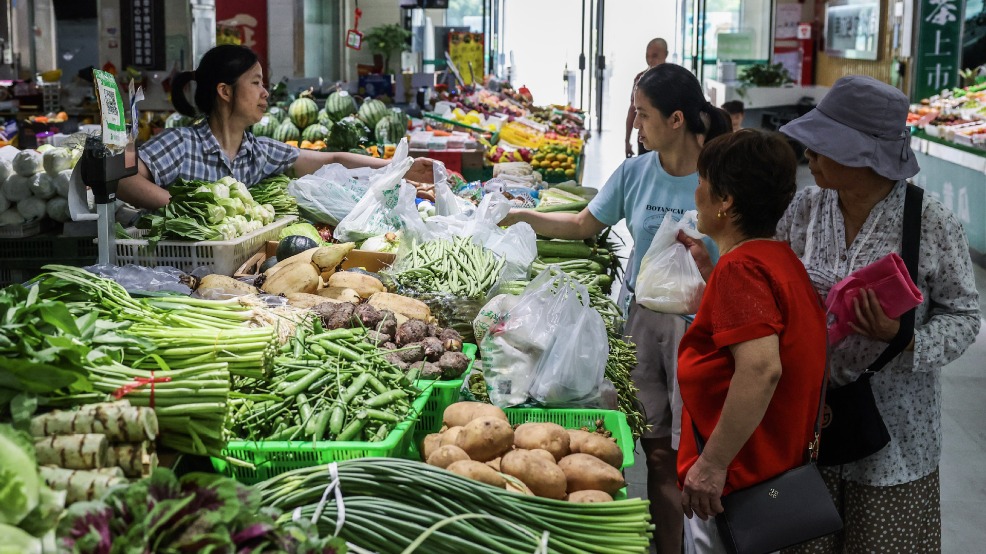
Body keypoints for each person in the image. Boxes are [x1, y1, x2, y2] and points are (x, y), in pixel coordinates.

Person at [501, 62, 731, 553]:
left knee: (701, 452)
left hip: (708, 331)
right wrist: (521, 216)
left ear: (675, 120)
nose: (635, 123)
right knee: (657, 451)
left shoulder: (723, 172)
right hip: (644, 328)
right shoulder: (634, 173)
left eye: (643, 114)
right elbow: (585, 224)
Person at [771, 76, 980, 552]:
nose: (811, 157)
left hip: (896, 435)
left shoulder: (929, 221)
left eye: (824, 147)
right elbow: (774, 282)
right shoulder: (805, 207)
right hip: (809, 423)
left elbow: (965, 314)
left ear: (865, 156)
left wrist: (902, 337)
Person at [674, 129, 828, 553]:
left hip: (737, 486)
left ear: (726, 200)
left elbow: (761, 368)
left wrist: (711, 465)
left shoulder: (742, 270)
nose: (696, 189)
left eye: (703, 180)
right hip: (770, 470)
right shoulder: (779, 259)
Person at [119, 45, 435, 210]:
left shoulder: (257, 151)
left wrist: (401, 168)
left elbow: (333, 159)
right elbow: (121, 179)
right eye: (255, 83)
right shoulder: (182, 144)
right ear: (225, 91)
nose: (265, 93)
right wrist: (183, 210)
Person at [625, 38, 668, 158]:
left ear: (665, 54)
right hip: (645, 137)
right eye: (647, 56)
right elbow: (632, 110)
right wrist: (627, 141)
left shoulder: (674, 81)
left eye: (654, 56)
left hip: (667, 141)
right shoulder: (640, 79)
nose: (650, 60)